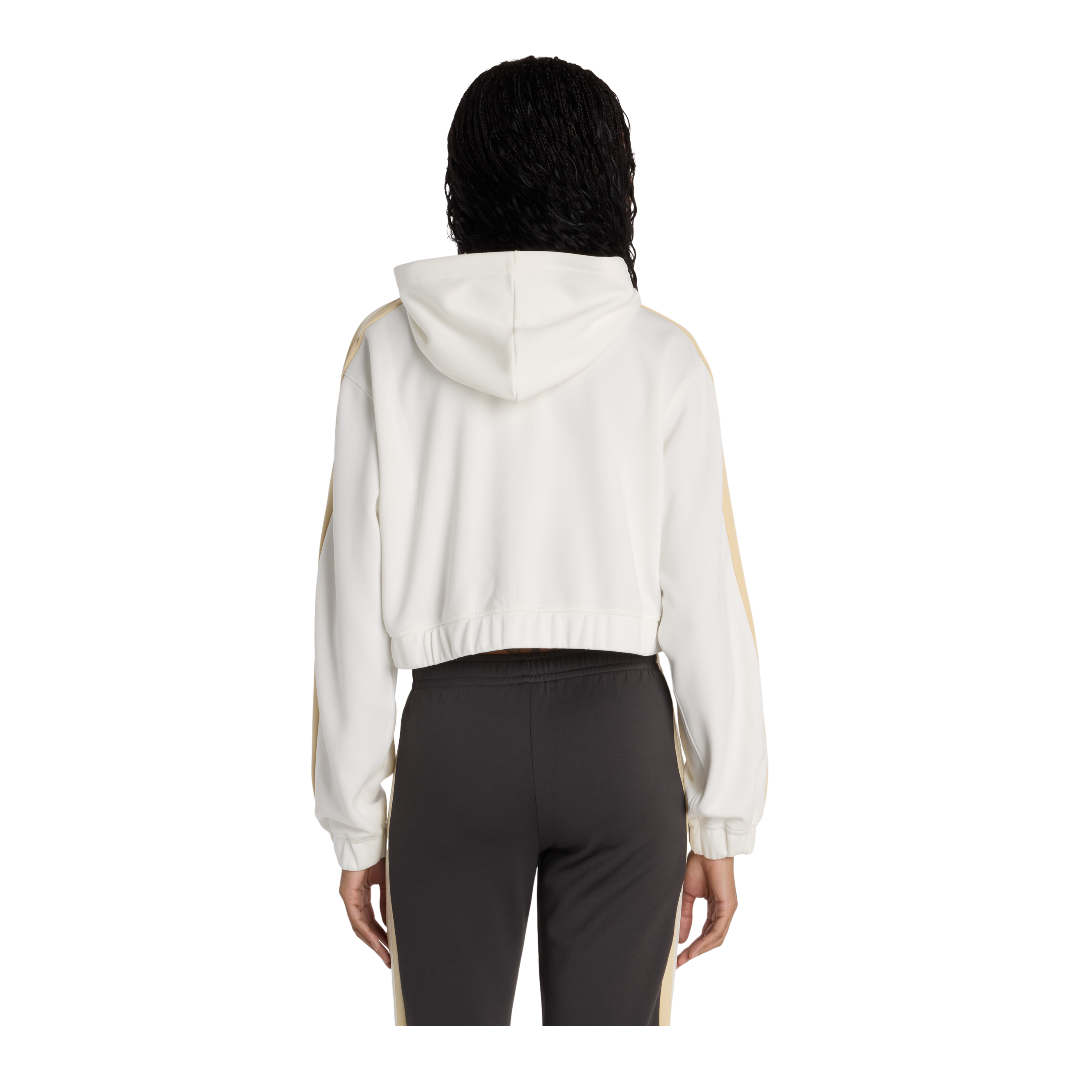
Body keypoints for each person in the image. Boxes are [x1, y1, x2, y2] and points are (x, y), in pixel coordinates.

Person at [312, 55, 767, 1026]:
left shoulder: (385, 348)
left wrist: (354, 824)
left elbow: (348, 598)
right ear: (611, 178)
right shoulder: (664, 355)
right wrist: (722, 817)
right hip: (619, 743)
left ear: (463, 181)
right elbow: (706, 599)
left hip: (451, 743)